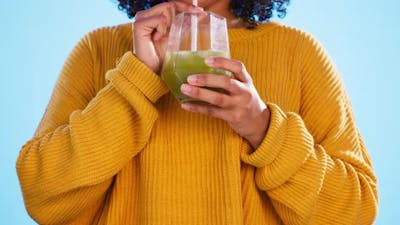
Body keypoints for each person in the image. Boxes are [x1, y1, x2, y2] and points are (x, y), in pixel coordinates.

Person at [16, 0, 378, 224]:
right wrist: (137, 80)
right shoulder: (98, 49)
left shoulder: (299, 53)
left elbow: (355, 211)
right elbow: (43, 196)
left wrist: (264, 128)